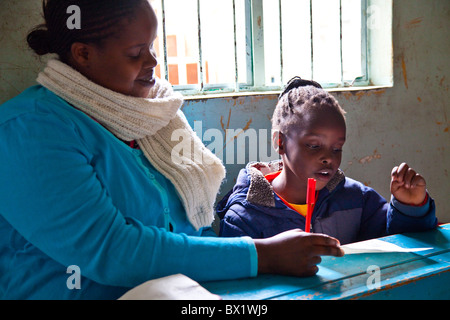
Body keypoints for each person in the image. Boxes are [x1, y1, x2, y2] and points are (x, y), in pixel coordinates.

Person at [0, 1, 343, 299]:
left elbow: (196, 228)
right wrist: (262, 255)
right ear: (83, 54)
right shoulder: (31, 130)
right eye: (135, 53)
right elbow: (113, 251)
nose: (152, 61)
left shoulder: (155, 116)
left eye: (151, 46)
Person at [218, 77, 437, 244]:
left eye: (337, 148)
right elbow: (237, 288)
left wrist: (411, 207)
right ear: (280, 142)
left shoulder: (356, 199)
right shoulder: (245, 218)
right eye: (314, 146)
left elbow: (400, 244)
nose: (328, 158)